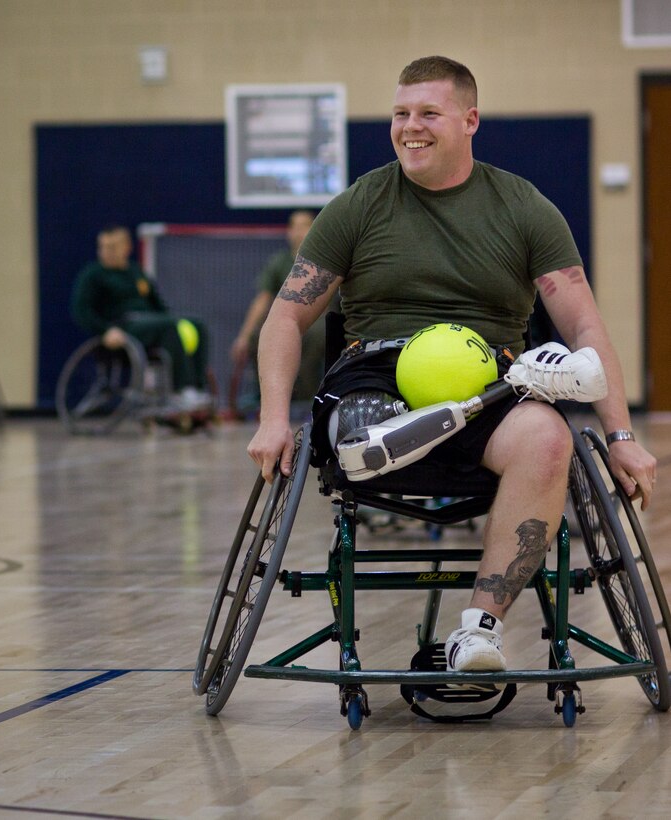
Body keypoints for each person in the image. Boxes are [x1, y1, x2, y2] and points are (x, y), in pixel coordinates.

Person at [246, 56, 657, 675]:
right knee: (358, 432)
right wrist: (273, 418)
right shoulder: (359, 205)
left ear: (469, 120)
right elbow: (284, 318)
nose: (410, 127)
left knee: (549, 439)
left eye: (428, 114)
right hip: (377, 373)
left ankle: (480, 630)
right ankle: (395, 435)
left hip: (489, 381)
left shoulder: (523, 207)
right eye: (401, 113)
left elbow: (584, 327)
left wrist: (622, 436)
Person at [71, 224, 211, 409]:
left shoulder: (136, 272)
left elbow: (158, 306)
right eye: (102, 247)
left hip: (151, 323)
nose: (106, 252)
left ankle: (197, 388)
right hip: (124, 326)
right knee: (168, 326)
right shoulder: (93, 275)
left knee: (196, 325)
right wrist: (106, 331)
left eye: (112, 247)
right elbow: (81, 311)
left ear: (127, 247)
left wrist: (175, 321)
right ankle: (182, 391)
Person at [230, 210, 335, 403]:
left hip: (320, 318)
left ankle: (307, 401)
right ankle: (271, 398)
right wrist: (244, 336)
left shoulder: (330, 258)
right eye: (294, 227)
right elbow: (262, 299)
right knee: (259, 335)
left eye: (304, 226)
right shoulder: (279, 262)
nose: (298, 232)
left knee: (316, 335)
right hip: (288, 318)